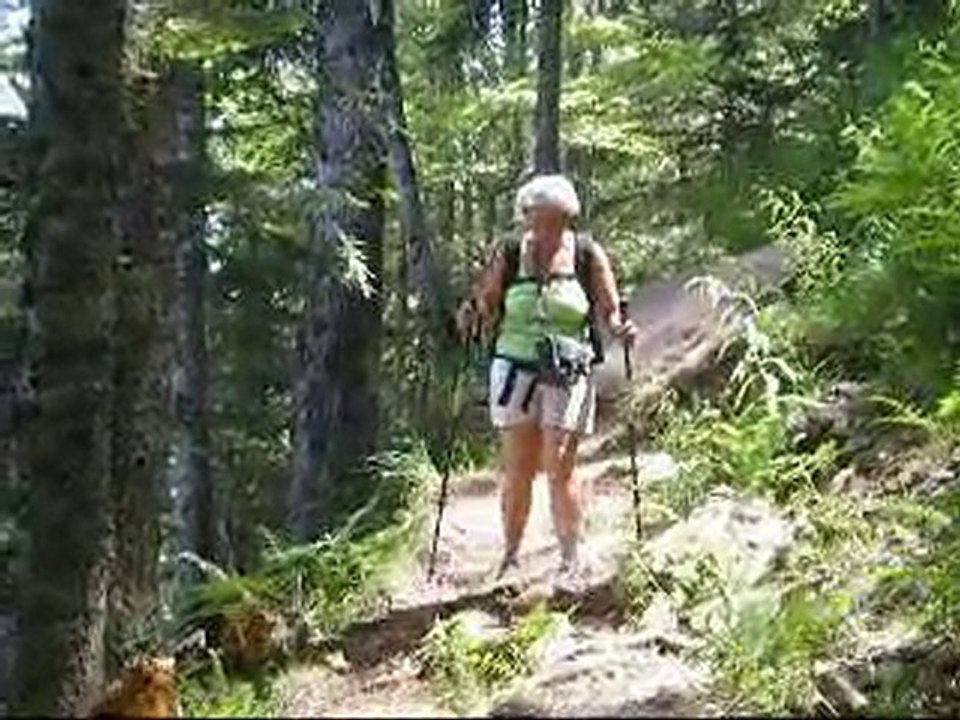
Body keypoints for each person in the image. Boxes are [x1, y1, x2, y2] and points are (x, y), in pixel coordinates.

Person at [456, 173, 637, 586]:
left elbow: (609, 310)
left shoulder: (586, 253)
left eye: (551, 218)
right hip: (514, 367)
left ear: (566, 216)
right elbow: (487, 302)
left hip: (569, 368)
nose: (541, 227)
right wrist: (473, 315)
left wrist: (620, 328)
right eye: (535, 217)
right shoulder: (509, 252)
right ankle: (511, 556)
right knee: (518, 467)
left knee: (560, 463)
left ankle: (571, 557)